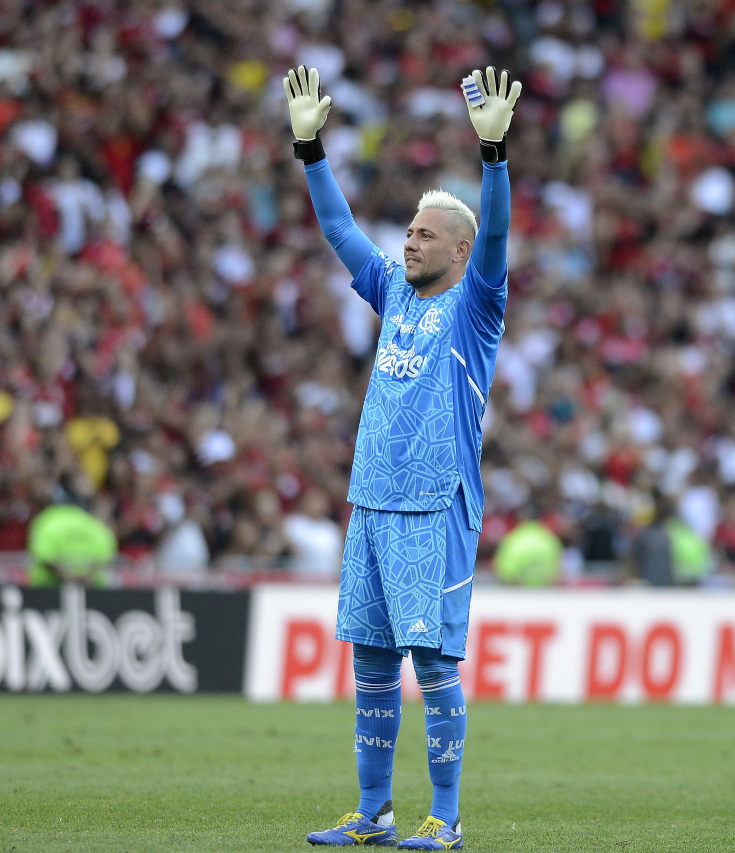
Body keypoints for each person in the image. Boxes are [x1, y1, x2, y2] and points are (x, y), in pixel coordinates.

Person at [286, 64, 519, 849]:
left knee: (434, 663)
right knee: (373, 664)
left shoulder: (475, 304)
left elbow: (497, 242)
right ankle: (373, 810)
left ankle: (445, 815)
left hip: (435, 503)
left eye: (423, 233)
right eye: (409, 231)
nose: (407, 240)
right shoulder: (390, 290)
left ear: (458, 249)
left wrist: (494, 158)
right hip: (373, 500)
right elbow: (338, 229)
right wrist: (310, 147)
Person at [26, 504, 117, 588]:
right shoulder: (93, 525)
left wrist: (68, 577)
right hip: (90, 587)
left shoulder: (47, 522)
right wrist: (83, 576)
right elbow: (105, 556)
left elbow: (44, 557)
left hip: (47, 588)